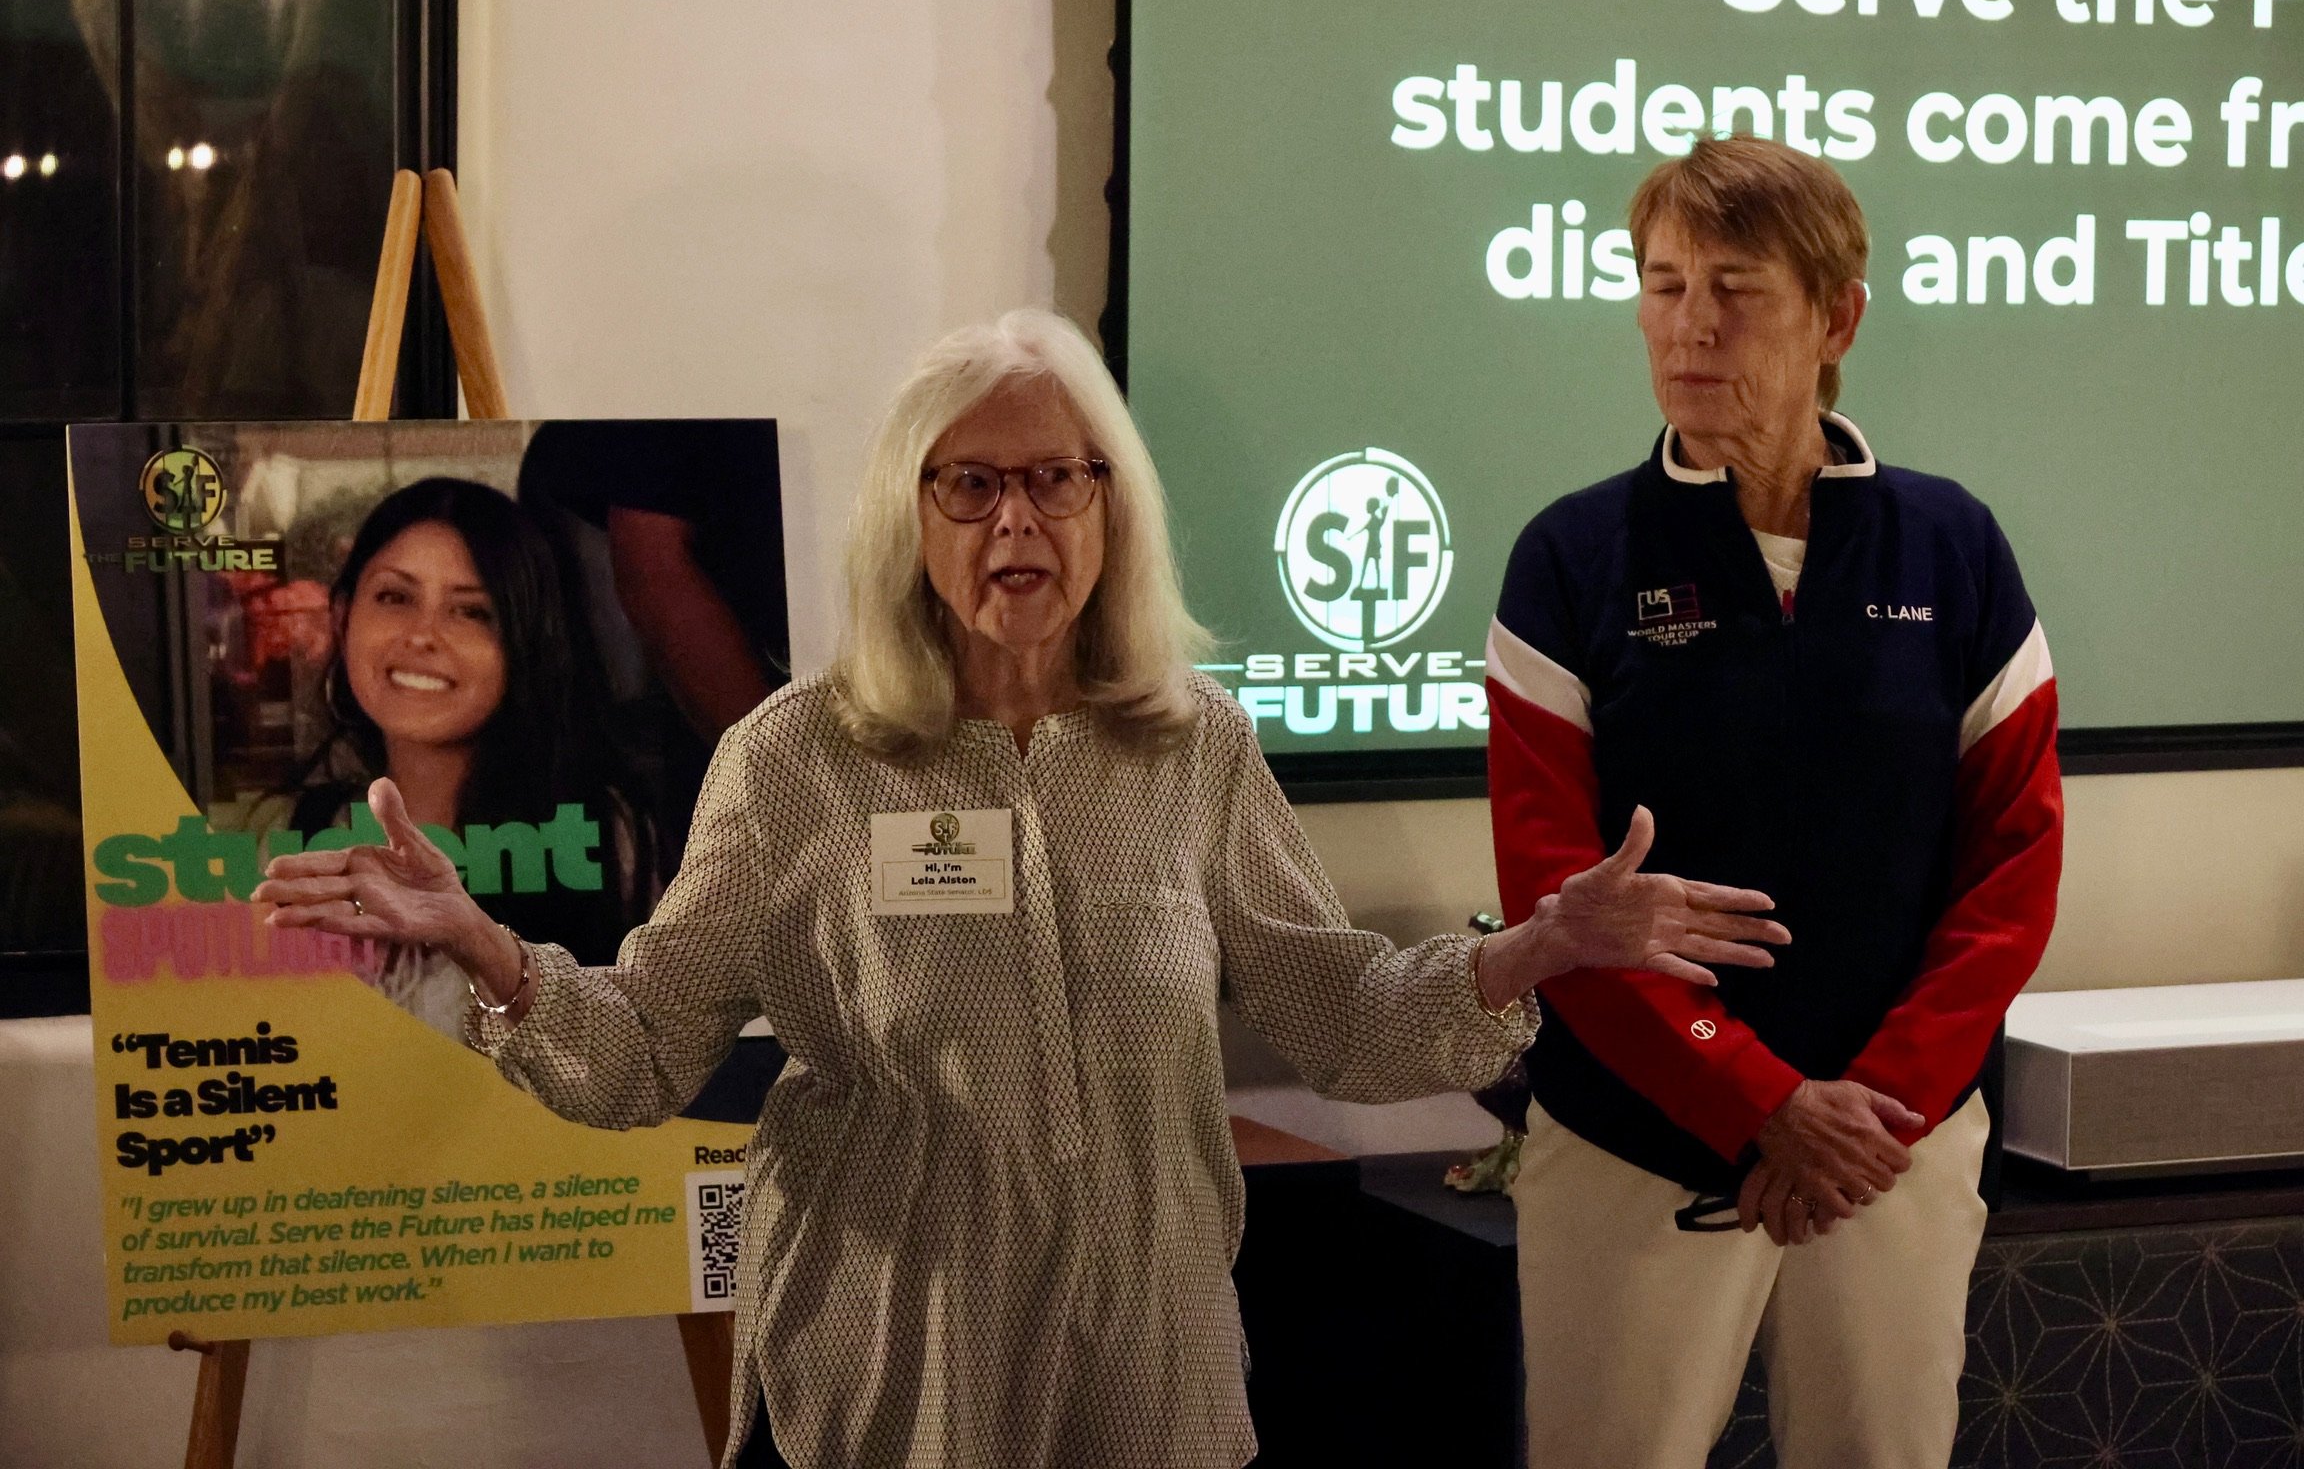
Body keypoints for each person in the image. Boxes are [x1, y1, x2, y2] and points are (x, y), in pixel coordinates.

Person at [257, 310, 1787, 1469]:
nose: (1018, 522)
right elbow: (647, 1048)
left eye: (1059, 479)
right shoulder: (802, 756)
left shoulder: (1192, 744)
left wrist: (1527, 953)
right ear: (909, 516)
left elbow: (1341, 1019)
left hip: (1145, 1372)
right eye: (972, 482)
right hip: (895, 1378)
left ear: (1111, 507)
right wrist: (490, 951)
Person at [1485, 136, 2063, 1469]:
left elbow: (2013, 869)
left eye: (1734, 287)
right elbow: (1552, 893)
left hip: (1888, 1151)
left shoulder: (1952, 545)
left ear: (1837, 316)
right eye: (1662, 281)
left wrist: (1863, 1114)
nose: (1689, 326)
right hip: (1633, 1145)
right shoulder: (1572, 557)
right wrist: (1757, 1100)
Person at [275, 476, 655, 1036]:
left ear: (526, 641)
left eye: (472, 612)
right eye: (395, 597)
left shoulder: (605, 835)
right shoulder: (286, 833)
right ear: (341, 616)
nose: (423, 635)